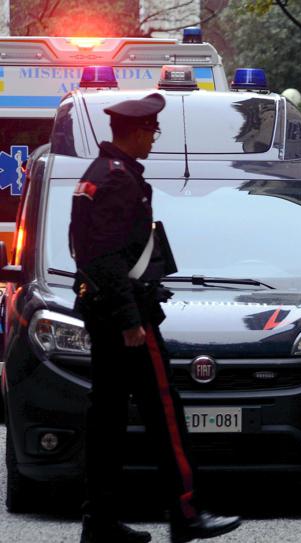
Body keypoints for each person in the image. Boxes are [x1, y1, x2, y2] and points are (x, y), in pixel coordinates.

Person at [69, 93, 241, 543]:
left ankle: (100, 522)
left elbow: (89, 253)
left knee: (106, 418)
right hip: (126, 319)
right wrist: (130, 319)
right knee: (165, 412)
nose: (153, 138)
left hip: (103, 311)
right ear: (135, 131)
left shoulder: (96, 175)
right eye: (151, 131)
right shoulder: (119, 180)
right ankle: (186, 514)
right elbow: (104, 258)